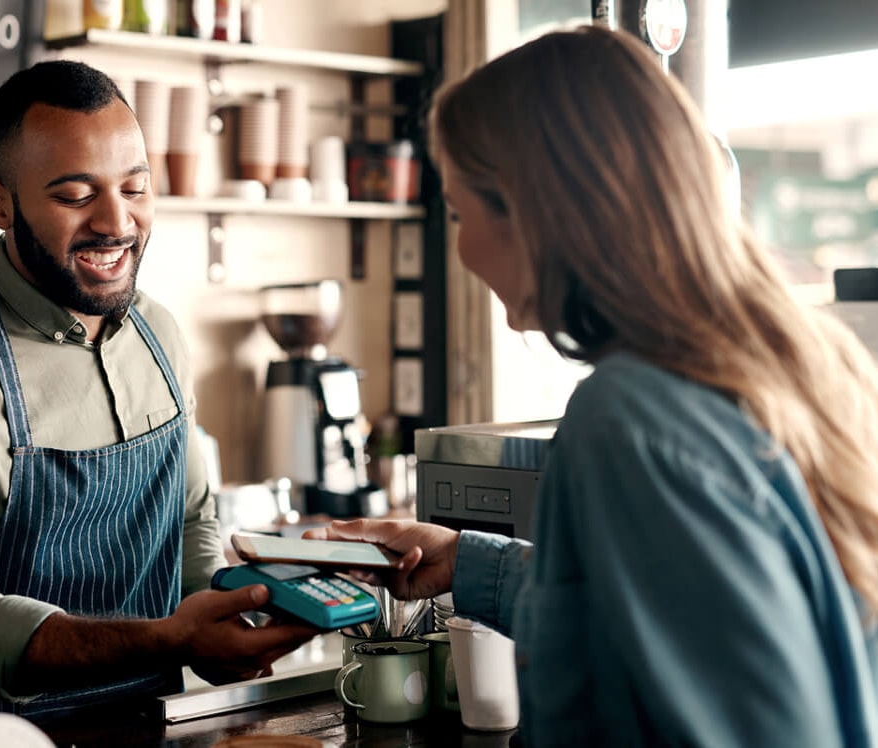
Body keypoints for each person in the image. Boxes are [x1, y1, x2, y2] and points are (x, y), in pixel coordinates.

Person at [307, 26, 878, 747]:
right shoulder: (797, 365)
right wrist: (468, 563)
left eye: (459, 212)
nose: (460, 247)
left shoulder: (630, 417)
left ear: (535, 214)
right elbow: (672, 614)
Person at [0, 59, 315, 721]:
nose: (116, 222)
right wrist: (167, 639)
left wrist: (230, 609)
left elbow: (190, 524)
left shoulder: (160, 335)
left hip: (152, 721)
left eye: (135, 187)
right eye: (75, 196)